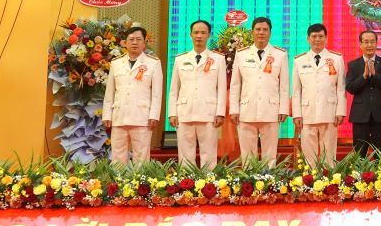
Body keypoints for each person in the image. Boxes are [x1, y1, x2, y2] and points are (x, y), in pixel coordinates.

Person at [229, 17, 289, 166]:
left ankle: (269, 178)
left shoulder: (280, 54)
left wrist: (283, 109)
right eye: (258, 29)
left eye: (265, 30)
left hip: (271, 110)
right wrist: (234, 109)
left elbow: (284, 86)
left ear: (270, 32)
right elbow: (235, 84)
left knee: (270, 154)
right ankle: (250, 179)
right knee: (248, 155)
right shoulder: (241, 54)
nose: (261, 32)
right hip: (246, 110)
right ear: (252, 32)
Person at [167, 20, 226, 168]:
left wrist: (220, 113)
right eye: (196, 32)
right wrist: (172, 113)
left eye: (203, 33)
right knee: (185, 155)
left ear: (209, 35)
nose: (199, 36)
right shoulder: (180, 59)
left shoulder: (218, 59)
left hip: (208, 113)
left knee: (209, 153)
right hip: (184, 112)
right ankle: (186, 181)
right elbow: (174, 89)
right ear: (190, 35)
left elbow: (221, 89)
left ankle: (208, 181)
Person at [103, 26, 163, 164]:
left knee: (141, 157)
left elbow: (157, 94)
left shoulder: (153, 63)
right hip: (119, 116)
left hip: (142, 117)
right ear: (125, 43)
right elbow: (110, 92)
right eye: (131, 39)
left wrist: (154, 115)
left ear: (144, 42)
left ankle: (140, 179)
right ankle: (118, 178)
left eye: (138, 39)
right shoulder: (116, 63)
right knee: (118, 156)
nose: (134, 42)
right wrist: (107, 114)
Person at [292, 23, 346, 168]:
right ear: (308, 39)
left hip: (330, 112)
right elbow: (296, 91)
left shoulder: (337, 58)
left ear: (326, 38)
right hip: (307, 113)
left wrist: (340, 111)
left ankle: (330, 179)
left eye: (321, 36)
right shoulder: (299, 60)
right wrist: (297, 114)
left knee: (329, 156)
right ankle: (310, 180)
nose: (317, 39)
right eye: (314, 36)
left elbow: (341, 88)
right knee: (309, 156)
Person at [345, 30, 381, 157]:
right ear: (360, 44)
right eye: (366, 42)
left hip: (380, 115)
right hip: (360, 115)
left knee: (380, 154)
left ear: (377, 43)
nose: (369, 45)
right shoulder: (353, 65)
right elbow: (350, 88)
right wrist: (364, 76)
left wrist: (375, 75)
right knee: (359, 155)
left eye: (372, 42)